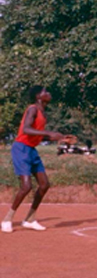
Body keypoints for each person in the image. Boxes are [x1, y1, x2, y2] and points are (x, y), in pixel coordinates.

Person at [2, 86, 64, 234]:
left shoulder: (43, 112)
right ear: (38, 96)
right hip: (21, 148)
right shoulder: (32, 109)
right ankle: (7, 219)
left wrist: (56, 137)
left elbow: (36, 135)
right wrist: (48, 133)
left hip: (31, 150)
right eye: (45, 92)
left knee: (44, 185)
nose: (48, 94)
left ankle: (29, 219)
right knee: (26, 186)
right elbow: (26, 130)